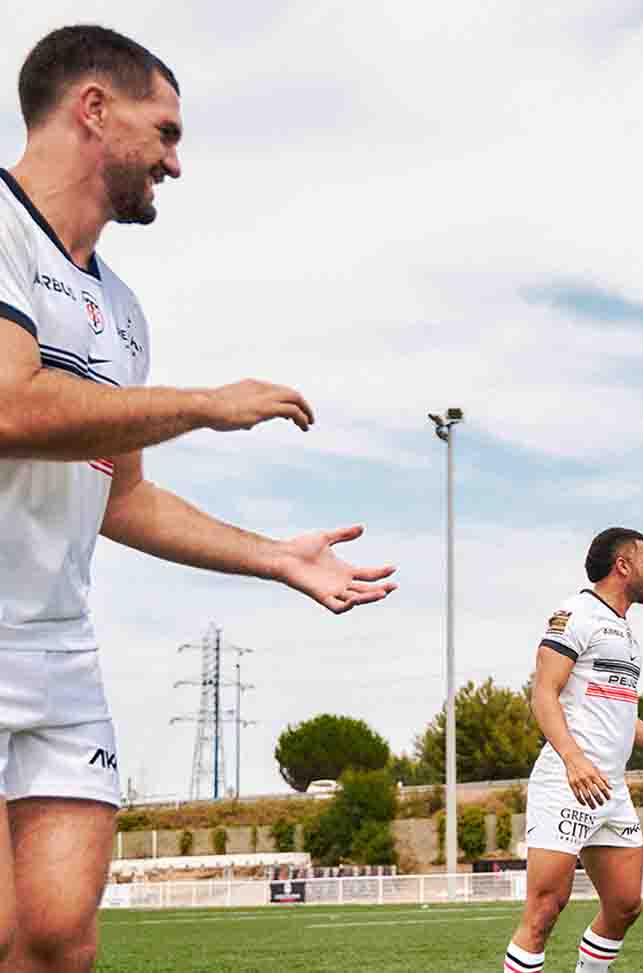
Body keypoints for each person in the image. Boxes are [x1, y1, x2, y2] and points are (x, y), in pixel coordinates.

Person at [0, 25, 397, 969]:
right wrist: (203, 406)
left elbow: (121, 497)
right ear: (94, 109)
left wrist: (276, 557)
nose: (175, 163)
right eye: (166, 132)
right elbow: (9, 405)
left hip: (57, 650)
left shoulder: (123, 313)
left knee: (59, 941)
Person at [505, 528, 643, 973]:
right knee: (544, 910)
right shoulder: (576, 614)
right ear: (623, 565)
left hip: (609, 789)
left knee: (624, 905)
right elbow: (543, 693)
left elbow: (619, 716)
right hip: (568, 782)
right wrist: (573, 759)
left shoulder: (626, 634)